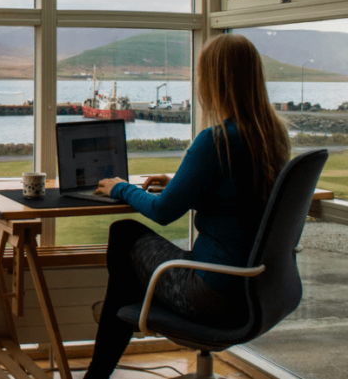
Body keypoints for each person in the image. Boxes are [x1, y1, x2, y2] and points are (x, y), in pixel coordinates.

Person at [83, 33, 291, 379]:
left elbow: (163, 212)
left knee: (124, 233)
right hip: (261, 290)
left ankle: (106, 355)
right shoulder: (274, 138)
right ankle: (123, 317)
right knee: (128, 275)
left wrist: (120, 187)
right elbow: (237, 197)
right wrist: (182, 184)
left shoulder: (216, 141)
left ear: (213, 82)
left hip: (211, 295)